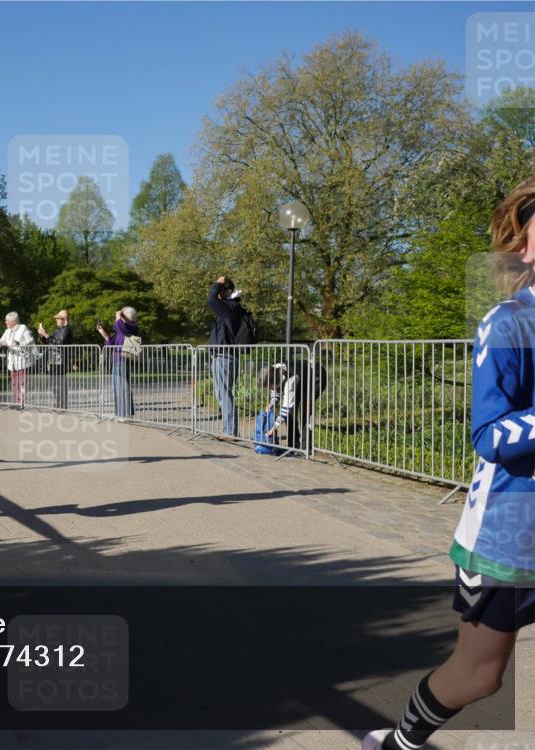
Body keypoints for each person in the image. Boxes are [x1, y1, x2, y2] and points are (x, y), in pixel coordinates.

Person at [362, 177, 535, 749]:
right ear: (525, 245)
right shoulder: (508, 323)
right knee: (480, 676)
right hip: (513, 534)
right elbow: (488, 434)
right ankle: (400, 743)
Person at [260, 359, 327, 452]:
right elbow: (276, 390)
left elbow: (286, 408)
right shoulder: (272, 370)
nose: (270, 389)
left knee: (306, 409)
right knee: (290, 413)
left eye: (270, 386)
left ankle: (306, 447)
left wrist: (273, 428)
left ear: (275, 381)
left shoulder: (290, 379)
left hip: (316, 377)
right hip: (302, 379)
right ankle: (293, 446)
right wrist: (273, 402)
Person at [207, 276, 244, 436]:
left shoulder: (230, 306)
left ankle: (230, 432)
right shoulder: (230, 307)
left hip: (225, 356)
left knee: (224, 394)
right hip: (222, 356)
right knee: (221, 393)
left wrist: (217, 283)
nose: (218, 293)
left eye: (221, 289)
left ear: (228, 291)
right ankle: (228, 430)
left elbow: (210, 300)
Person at [96, 306, 139, 419]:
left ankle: (125, 414)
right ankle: (120, 413)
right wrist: (104, 334)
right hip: (116, 361)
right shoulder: (121, 330)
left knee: (123, 388)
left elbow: (118, 325)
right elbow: (111, 344)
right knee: (117, 388)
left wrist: (118, 316)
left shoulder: (131, 327)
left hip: (123, 360)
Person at [0, 312, 33, 408]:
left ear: (13, 321)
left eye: (7, 320)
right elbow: (3, 341)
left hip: (22, 360)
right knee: (15, 384)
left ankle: (22, 403)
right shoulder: (8, 331)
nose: (5, 322)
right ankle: (17, 402)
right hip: (12, 362)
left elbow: (30, 341)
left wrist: (20, 343)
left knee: (22, 383)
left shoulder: (22, 328)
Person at [38, 310, 73, 410]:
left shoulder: (67, 330)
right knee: (54, 384)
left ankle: (62, 405)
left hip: (61, 361)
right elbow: (48, 341)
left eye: (58, 318)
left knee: (60, 384)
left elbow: (59, 343)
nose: (56, 320)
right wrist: (42, 335)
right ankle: (57, 404)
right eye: (57, 318)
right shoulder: (57, 330)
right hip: (53, 360)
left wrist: (46, 335)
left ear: (64, 320)